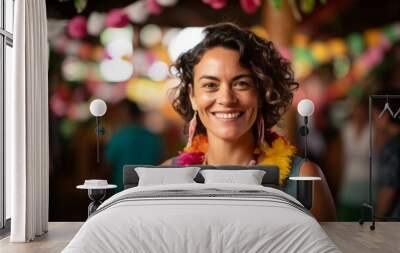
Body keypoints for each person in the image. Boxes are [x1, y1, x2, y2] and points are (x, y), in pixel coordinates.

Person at [162, 23, 336, 221]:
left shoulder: (304, 178)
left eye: (241, 83)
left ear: (262, 93)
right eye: (210, 85)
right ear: (193, 96)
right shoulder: (167, 176)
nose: (226, 98)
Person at [106, 99, 163, 193]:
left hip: (122, 191)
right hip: (149, 190)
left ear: (125, 114)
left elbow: (108, 165)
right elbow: (161, 162)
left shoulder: (118, 137)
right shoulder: (153, 138)